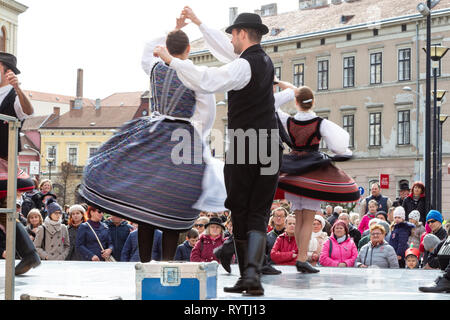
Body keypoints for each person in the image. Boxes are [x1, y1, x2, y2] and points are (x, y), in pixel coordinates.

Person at [78, 15, 227, 265]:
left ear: (166, 48)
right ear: (189, 49)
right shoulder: (195, 74)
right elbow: (206, 113)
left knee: (145, 205)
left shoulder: (155, 67)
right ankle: (167, 264)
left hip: (151, 133)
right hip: (180, 137)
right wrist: (194, 137)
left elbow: (147, 50)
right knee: (172, 206)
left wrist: (174, 29)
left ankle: (145, 264)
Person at [156, 7, 282, 296]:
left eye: (232, 35)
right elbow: (224, 51)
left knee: (240, 208)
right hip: (269, 145)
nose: (230, 41)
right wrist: (200, 24)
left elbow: (208, 80)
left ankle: (249, 277)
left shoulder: (242, 65)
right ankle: (250, 277)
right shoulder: (260, 59)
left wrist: (172, 61)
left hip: (246, 143)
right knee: (258, 212)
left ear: (240, 34)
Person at [272, 82, 359, 275]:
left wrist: (287, 87)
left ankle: (300, 258)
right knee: (308, 217)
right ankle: (302, 259)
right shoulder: (321, 123)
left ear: (296, 102)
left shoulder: (288, 121)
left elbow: (272, 106)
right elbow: (338, 145)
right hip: (312, 171)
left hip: (293, 170)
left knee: (299, 216)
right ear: (313, 102)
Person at [0, 52, 34, 160]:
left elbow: (28, 111)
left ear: (8, 72)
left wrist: (17, 88)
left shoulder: (15, 95)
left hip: (5, 160)